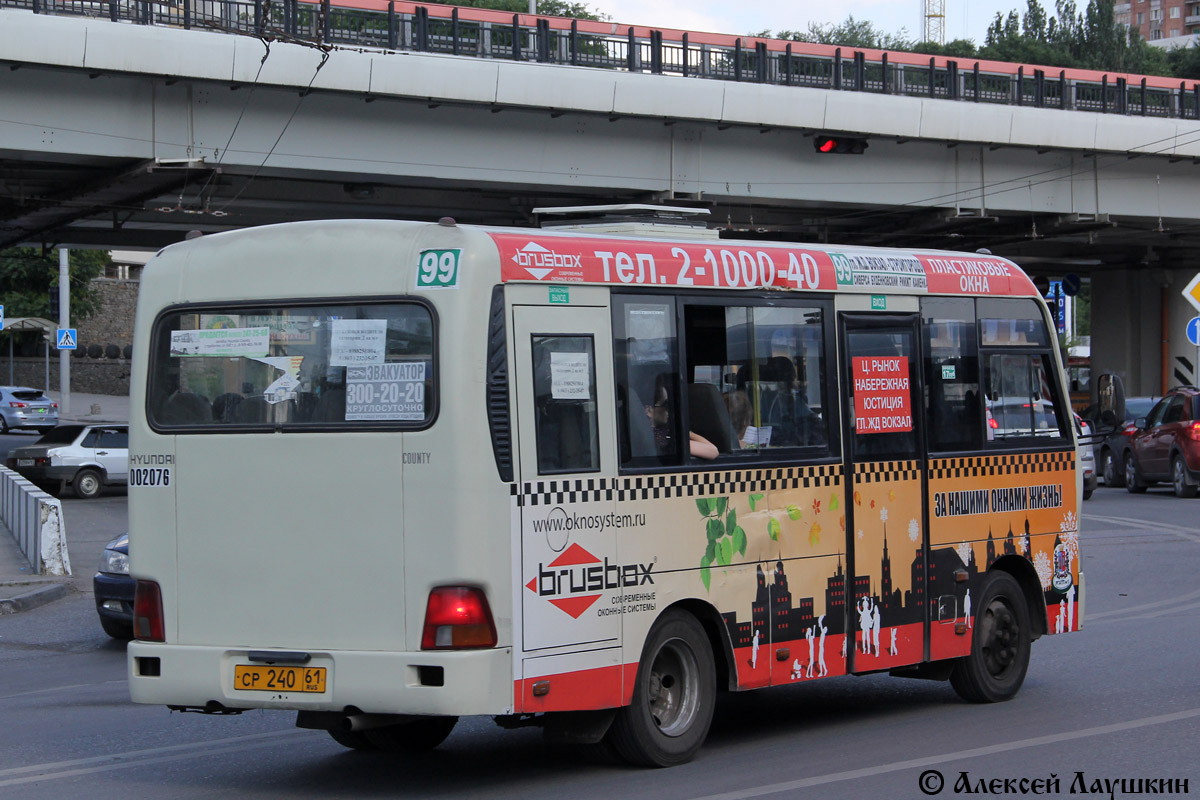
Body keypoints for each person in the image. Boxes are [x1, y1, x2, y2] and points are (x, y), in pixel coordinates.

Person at [646, 376, 718, 460]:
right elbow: (713, 451)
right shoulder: (662, 439)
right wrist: (685, 432)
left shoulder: (645, 436)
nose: (670, 409)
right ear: (648, 410)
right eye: (666, 405)